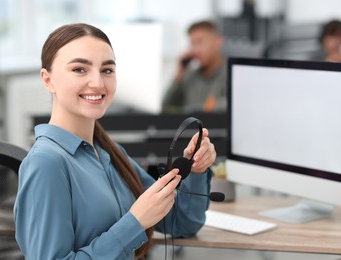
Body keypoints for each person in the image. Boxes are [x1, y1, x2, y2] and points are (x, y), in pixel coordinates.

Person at [13, 23, 217, 260]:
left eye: (107, 70)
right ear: (47, 80)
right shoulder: (46, 163)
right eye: (80, 69)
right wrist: (135, 222)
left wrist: (198, 170)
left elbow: (181, 224)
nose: (98, 83)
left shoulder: (108, 153)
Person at [162, 20, 227, 114]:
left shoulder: (231, 75)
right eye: (192, 44)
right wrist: (178, 76)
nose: (195, 50)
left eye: (200, 42)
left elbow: (230, 105)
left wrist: (189, 111)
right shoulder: (188, 76)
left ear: (217, 41)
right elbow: (166, 107)